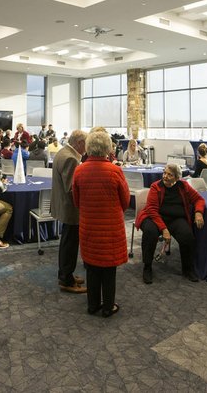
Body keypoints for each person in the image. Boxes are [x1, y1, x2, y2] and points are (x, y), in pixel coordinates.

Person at [72, 130, 129, 317]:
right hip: (111, 228)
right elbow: (126, 201)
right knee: (109, 270)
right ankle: (108, 307)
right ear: (108, 148)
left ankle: (92, 305)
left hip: (89, 226)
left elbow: (76, 201)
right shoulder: (115, 171)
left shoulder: (79, 170)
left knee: (92, 267)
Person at [135, 162, 205, 284]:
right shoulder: (155, 186)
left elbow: (199, 199)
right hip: (154, 217)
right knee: (150, 233)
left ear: (177, 178)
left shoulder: (183, 186)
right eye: (165, 173)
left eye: (170, 175)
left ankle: (188, 269)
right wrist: (164, 229)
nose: (165, 177)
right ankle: (147, 267)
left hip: (176, 218)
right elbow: (152, 210)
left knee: (187, 236)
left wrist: (198, 212)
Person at [51, 129, 88, 294]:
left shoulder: (63, 152)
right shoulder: (71, 158)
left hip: (64, 206)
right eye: (86, 144)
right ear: (79, 143)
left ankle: (66, 275)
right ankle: (66, 279)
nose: (87, 148)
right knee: (70, 245)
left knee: (67, 242)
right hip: (70, 209)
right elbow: (71, 188)